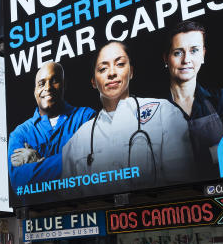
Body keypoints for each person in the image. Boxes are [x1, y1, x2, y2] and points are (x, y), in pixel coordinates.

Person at [62, 41, 193, 189]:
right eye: (103, 68)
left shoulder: (163, 112)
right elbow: (71, 202)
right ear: (93, 82)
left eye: (120, 64)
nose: (111, 73)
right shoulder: (76, 142)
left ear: (131, 72)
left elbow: (183, 185)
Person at [163, 21, 223, 171]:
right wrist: (220, 151)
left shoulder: (219, 99)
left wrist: (204, 157)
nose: (186, 59)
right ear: (166, 58)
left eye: (194, 51)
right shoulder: (151, 109)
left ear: (203, 55)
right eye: (178, 52)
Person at [8, 61, 95, 189]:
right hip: (38, 208)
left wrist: (39, 160)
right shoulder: (20, 133)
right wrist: (72, 160)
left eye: (54, 80)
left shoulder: (85, 117)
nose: (47, 88)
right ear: (35, 91)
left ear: (64, 85)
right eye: (41, 83)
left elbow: (94, 160)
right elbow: (19, 182)